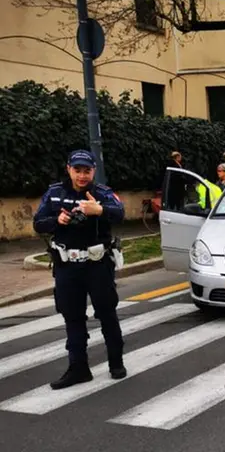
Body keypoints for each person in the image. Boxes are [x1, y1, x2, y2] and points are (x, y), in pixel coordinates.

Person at [33, 149, 127, 390]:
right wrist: (58, 221)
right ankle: (78, 368)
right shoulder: (55, 193)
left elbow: (120, 213)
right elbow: (38, 223)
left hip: (97, 264)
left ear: (93, 171)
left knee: (106, 313)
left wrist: (100, 211)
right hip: (68, 265)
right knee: (72, 316)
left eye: (87, 170)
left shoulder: (102, 193)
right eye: (78, 170)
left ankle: (116, 363)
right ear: (69, 169)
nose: (82, 176)